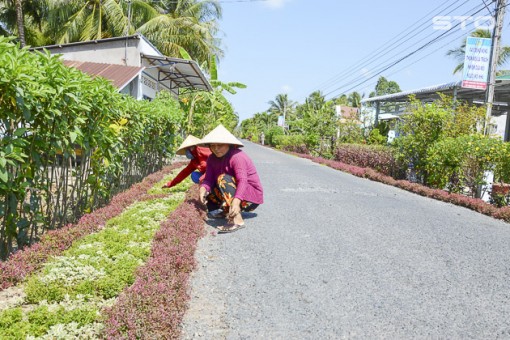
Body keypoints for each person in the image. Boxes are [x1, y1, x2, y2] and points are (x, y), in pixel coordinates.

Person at [199, 124, 264, 233]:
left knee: (222, 178)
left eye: (220, 145)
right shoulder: (211, 158)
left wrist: (236, 201)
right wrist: (203, 189)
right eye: (213, 145)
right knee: (209, 188)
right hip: (234, 192)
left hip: (249, 197)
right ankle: (226, 211)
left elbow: (242, 181)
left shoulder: (237, 157)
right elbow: (208, 179)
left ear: (229, 145)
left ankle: (237, 220)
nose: (216, 149)